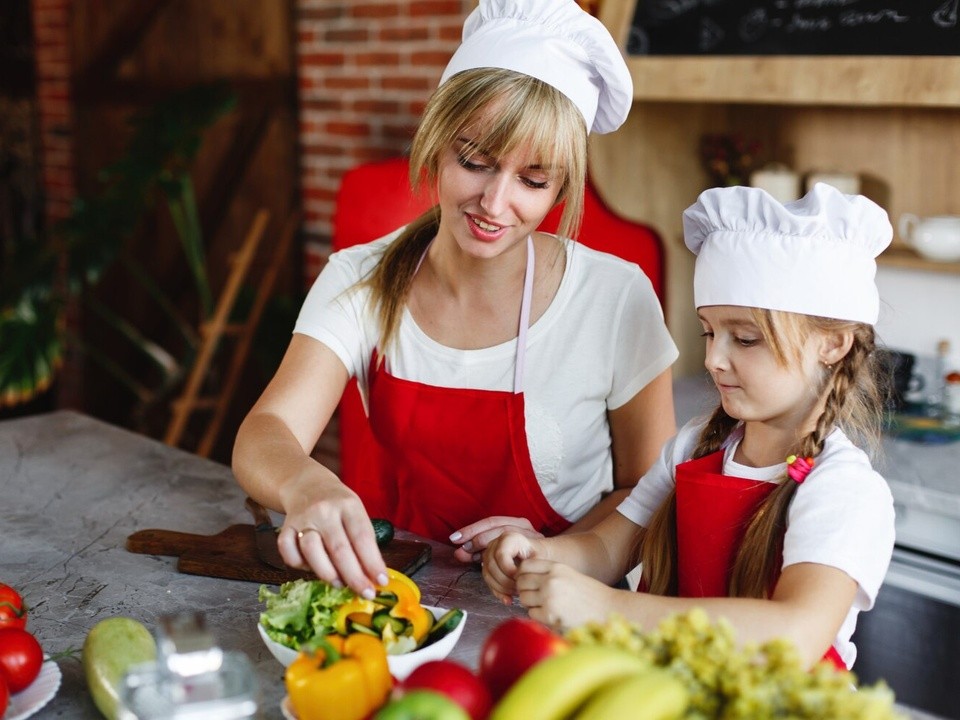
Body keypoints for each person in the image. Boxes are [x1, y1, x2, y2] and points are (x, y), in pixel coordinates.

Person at [232, 0, 678, 600]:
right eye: (475, 161)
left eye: (533, 180)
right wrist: (305, 485)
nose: (495, 204)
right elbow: (267, 430)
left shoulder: (617, 298)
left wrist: (558, 553)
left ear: (562, 188)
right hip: (389, 597)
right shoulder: (360, 278)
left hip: (557, 608)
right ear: (436, 142)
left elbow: (649, 495)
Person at [483, 183, 897, 671]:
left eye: (745, 338)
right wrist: (540, 556)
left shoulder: (844, 489)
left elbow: (795, 634)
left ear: (833, 345)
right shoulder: (691, 450)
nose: (713, 359)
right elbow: (605, 548)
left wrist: (611, 608)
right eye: (709, 331)